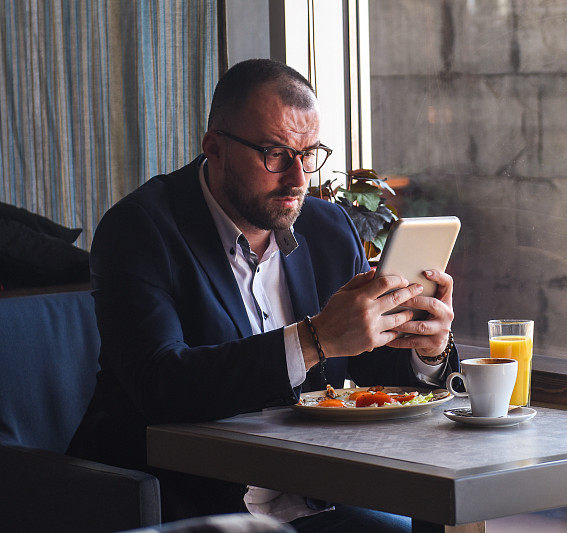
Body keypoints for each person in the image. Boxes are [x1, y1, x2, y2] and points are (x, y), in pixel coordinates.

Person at [68, 59, 459, 531]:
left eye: (309, 153)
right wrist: (314, 340)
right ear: (214, 147)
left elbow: (372, 369)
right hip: (184, 503)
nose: (298, 179)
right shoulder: (140, 230)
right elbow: (161, 385)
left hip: (318, 495)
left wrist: (426, 348)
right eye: (275, 154)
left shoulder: (329, 229)